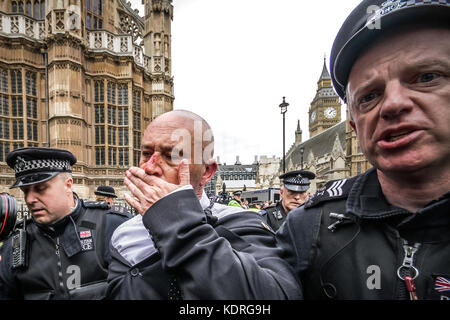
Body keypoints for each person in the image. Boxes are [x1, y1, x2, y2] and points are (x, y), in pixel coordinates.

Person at [277, 0, 450, 300]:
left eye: (426, 77)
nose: (394, 104)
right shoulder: (308, 230)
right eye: (369, 95)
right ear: (354, 126)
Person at [106, 110, 300, 299]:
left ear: (207, 171)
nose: (149, 167)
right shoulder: (123, 235)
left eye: (172, 156)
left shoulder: (241, 223)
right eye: (146, 154)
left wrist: (178, 223)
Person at [0, 147, 131, 299]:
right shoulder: (16, 243)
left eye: (40, 189)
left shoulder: (111, 225)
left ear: (68, 185)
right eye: (25, 191)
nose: (30, 199)